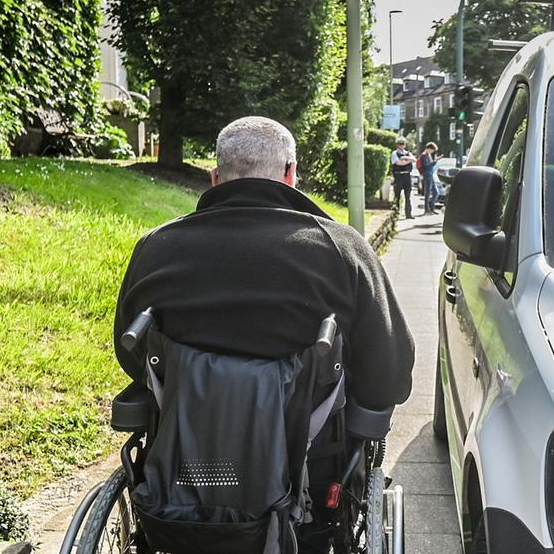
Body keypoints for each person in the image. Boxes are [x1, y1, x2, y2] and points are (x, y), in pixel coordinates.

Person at [113, 115, 414, 416]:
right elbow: (390, 376)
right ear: (291, 173)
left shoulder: (156, 246)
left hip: (178, 448)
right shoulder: (343, 250)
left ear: (215, 177)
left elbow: (132, 353)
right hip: (314, 455)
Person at [390, 140, 415, 217]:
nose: (401, 146)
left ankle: (408, 214)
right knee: (397, 195)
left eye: (403, 144)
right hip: (398, 176)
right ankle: (396, 213)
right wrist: (408, 161)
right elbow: (398, 163)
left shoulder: (408, 153)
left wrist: (405, 158)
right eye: (400, 144)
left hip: (407, 176)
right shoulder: (394, 153)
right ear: (397, 145)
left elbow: (414, 160)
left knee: (408, 196)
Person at [417, 143, 439, 212]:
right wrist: (434, 162)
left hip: (430, 174)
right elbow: (427, 166)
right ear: (429, 149)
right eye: (432, 150)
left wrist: (434, 161)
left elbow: (430, 165)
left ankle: (431, 206)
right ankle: (427, 208)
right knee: (428, 192)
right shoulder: (423, 156)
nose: (432, 152)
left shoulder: (428, 155)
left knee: (436, 192)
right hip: (427, 175)